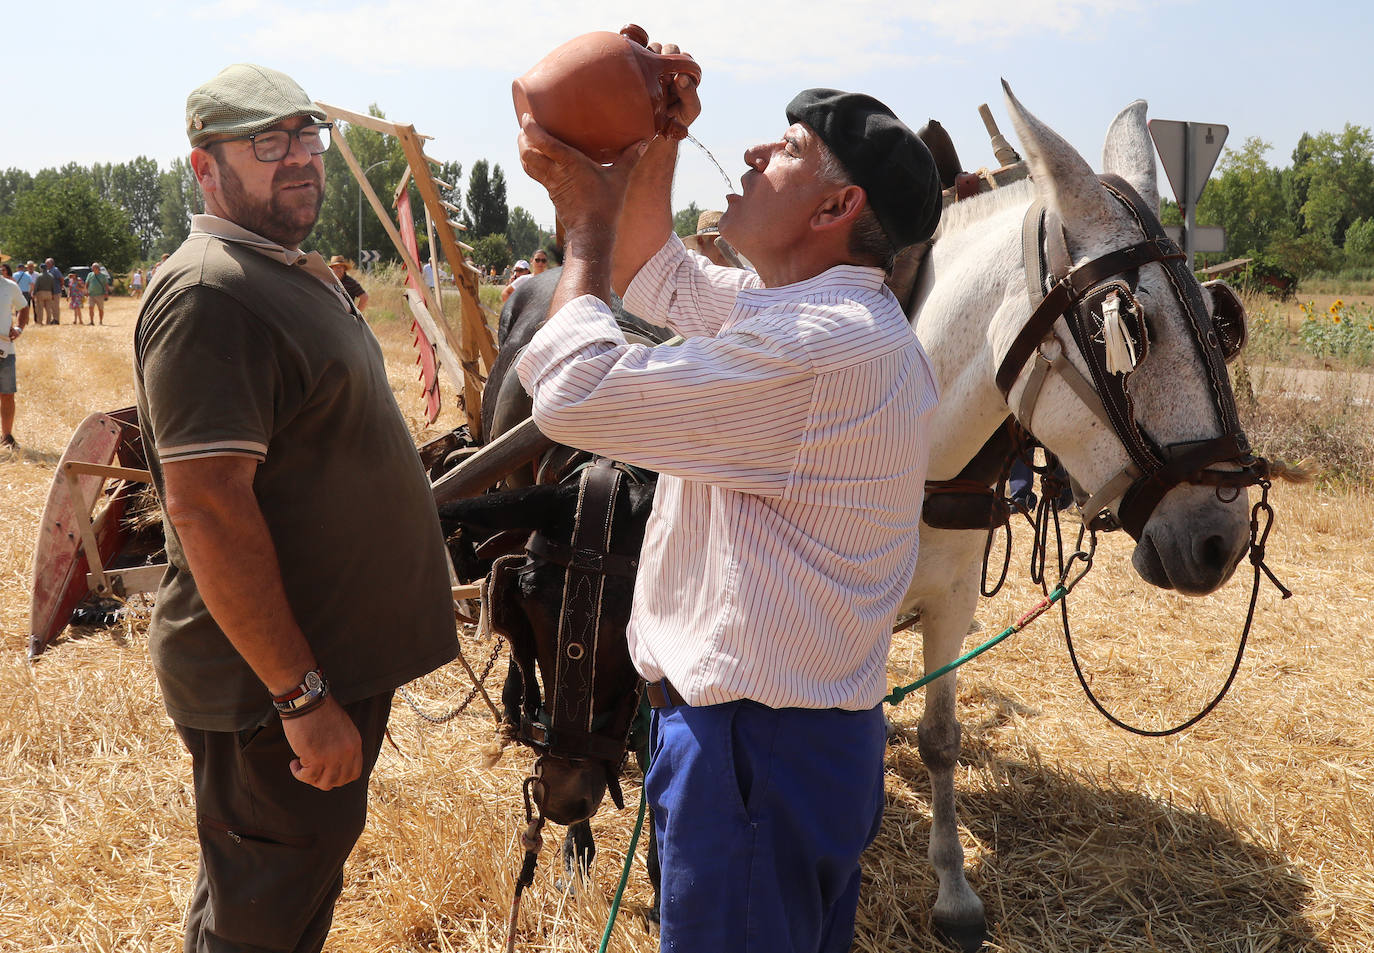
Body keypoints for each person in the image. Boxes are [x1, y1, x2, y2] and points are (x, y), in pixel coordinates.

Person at [515, 68, 942, 953]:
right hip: (789, 747)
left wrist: (583, 220)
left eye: (788, 150)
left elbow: (571, 391)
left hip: (754, 752)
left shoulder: (816, 348)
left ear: (836, 209)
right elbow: (654, 275)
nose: (753, 149)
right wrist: (655, 142)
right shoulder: (816, 317)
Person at [133, 63, 457, 953]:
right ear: (205, 169)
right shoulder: (212, 295)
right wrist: (302, 694)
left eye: (306, 138)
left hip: (315, 675)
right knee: (261, 926)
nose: (300, 160)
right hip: (271, 691)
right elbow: (207, 511)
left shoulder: (276, 271)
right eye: (266, 144)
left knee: (267, 899)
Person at [0, 264, 23, 449]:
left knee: (7, 394)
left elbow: (23, 307)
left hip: (4, 348)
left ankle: (7, 436)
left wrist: (19, 328)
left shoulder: (9, 286)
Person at [14, 261, 37, 328]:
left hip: (17, 292)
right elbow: (32, 285)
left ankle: (18, 322)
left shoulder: (14, 275)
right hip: (26, 293)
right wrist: (30, 292)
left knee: (17, 308)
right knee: (25, 308)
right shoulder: (28, 275)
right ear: (23, 268)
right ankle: (25, 322)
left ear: (17, 268)